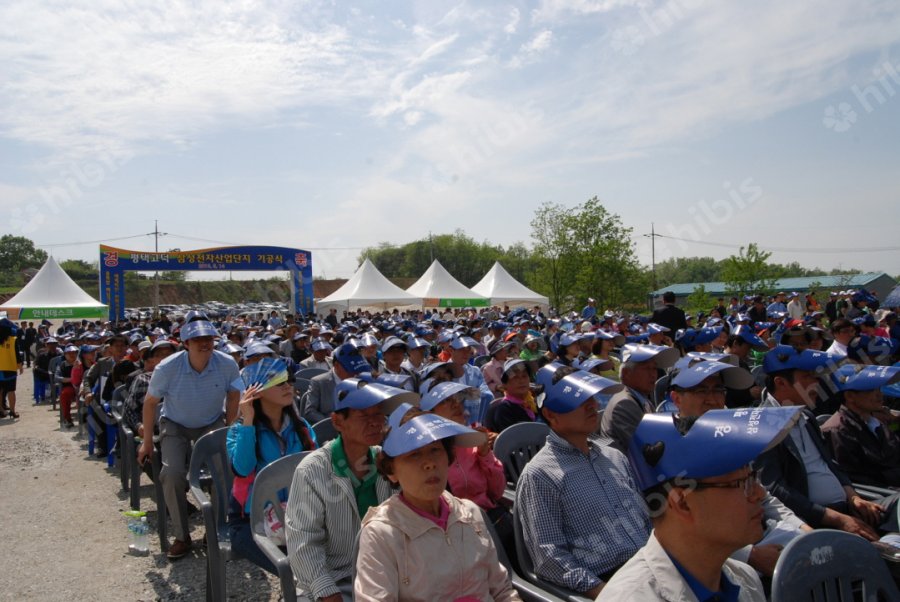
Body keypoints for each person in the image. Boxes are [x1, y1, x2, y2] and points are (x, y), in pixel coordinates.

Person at [598, 407, 804, 601]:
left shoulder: (745, 579)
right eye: (742, 483)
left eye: (753, 476)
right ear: (683, 503)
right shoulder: (631, 597)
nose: (758, 494)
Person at [354, 410, 520, 602]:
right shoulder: (381, 534)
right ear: (392, 471)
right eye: (414, 454)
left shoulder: (470, 513)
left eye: (435, 450)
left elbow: (501, 590)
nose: (429, 464)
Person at [667, 361, 811, 577]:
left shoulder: (731, 434)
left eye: (718, 390)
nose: (712, 399)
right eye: (700, 390)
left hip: (764, 532)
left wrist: (803, 529)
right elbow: (674, 528)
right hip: (721, 558)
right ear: (676, 399)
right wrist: (750, 555)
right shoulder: (662, 447)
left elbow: (764, 497)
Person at [517, 369, 648, 597]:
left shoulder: (614, 457)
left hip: (651, 564)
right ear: (550, 414)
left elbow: (645, 517)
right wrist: (604, 592)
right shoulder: (540, 475)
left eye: (591, 397)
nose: (592, 405)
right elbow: (549, 557)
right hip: (609, 581)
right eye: (578, 401)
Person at [286, 380, 413, 602]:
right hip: (338, 578)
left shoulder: (389, 461)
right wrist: (325, 589)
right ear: (337, 422)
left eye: (379, 415)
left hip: (392, 573)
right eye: (364, 416)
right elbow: (302, 540)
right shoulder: (313, 470)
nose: (375, 423)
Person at [756, 345, 896, 540]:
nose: (816, 383)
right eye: (808, 377)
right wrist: (836, 519)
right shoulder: (760, 426)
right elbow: (777, 489)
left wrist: (853, 496)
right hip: (814, 521)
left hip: (848, 507)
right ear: (781, 383)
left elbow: (830, 464)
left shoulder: (806, 416)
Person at [137, 319, 242, 560]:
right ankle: (182, 536)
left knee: (223, 472)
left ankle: (215, 530)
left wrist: (230, 428)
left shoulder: (226, 363)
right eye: (198, 340)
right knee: (172, 473)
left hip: (211, 421)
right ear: (186, 343)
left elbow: (234, 393)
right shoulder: (167, 367)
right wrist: (147, 442)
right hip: (175, 423)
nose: (205, 344)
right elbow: (151, 402)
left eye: (209, 339)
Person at [226, 357, 317, 573]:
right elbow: (243, 468)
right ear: (256, 391)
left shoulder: (301, 427)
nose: (288, 386)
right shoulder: (239, 430)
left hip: (298, 515)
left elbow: (316, 467)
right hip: (250, 523)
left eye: (288, 380)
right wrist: (248, 421)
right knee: (299, 569)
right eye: (279, 382)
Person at [822, 365, 900, 487]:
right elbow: (855, 478)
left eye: (879, 389)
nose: (879, 395)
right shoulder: (838, 430)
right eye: (871, 390)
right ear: (850, 396)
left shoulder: (875, 423)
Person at [599, 344, 679, 452]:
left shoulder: (641, 398)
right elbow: (649, 449)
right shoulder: (624, 403)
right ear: (626, 373)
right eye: (647, 368)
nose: (653, 375)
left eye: (654, 368)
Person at [302, 342, 372, 424]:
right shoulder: (319, 382)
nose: (354, 374)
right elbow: (310, 411)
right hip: (330, 430)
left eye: (357, 371)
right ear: (336, 365)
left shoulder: (361, 379)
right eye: (350, 370)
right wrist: (333, 423)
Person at [122, 339, 176, 437]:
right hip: (152, 433)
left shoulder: (184, 379)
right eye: (159, 354)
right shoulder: (143, 380)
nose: (164, 357)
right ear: (152, 359)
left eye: (168, 354)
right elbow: (129, 409)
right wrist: (139, 426)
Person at [485, 359, 540, 433]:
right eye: (515, 377)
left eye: (524, 376)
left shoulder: (534, 403)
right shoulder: (505, 409)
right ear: (505, 385)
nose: (521, 381)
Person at [0, 318, 24, 419]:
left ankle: (1, 410)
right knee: (11, 391)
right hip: (10, 368)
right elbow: (17, 355)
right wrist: (20, 366)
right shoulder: (13, 340)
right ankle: (13, 411)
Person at [56, 345, 80, 427]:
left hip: (82, 387)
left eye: (74, 353)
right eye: (69, 353)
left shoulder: (81, 363)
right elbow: (57, 376)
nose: (71, 355)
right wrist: (71, 379)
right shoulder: (62, 365)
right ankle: (68, 419)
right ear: (65, 355)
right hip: (69, 387)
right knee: (64, 394)